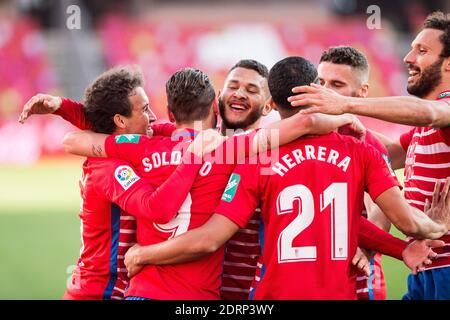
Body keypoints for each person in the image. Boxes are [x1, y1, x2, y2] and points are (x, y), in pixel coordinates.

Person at [123, 56, 450, 300]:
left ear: (270, 105)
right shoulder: (357, 148)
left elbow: (211, 237)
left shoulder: (255, 160)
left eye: (251, 88)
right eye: (233, 86)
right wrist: (422, 234)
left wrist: (142, 253)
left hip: (266, 292)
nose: (239, 93)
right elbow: (365, 218)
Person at [57, 67, 363, 299]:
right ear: (215, 109)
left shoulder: (139, 147)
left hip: (141, 290)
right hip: (198, 296)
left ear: (169, 113)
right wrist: (344, 116)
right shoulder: (229, 148)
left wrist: (62, 106)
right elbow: (304, 123)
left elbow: (74, 141)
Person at [19, 66, 224, 300]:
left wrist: (62, 106)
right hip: (100, 291)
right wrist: (194, 156)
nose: (154, 117)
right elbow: (155, 208)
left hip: (115, 287)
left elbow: (175, 131)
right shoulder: (110, 169)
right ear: (119, 120)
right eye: (145, 110)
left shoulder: (127, 148)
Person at [288, 11, 450, 300]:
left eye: (422, 51)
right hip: (428, 264)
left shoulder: (439, 112)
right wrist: (350, 126)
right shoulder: (425, 128)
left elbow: (428, 111)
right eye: (411, 48)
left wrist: (345, 105)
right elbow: (385, 155)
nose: (408, 58)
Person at [317, 46, 392, 299]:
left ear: (362, 92)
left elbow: (381, 209)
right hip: (307, 279)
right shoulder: (296, 135)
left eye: (336, 84)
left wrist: (364, 247)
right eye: (321, 82)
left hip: (358, 278)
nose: (325, 91)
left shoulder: (366, 143)